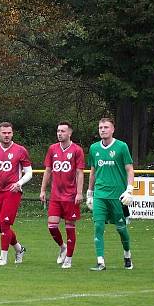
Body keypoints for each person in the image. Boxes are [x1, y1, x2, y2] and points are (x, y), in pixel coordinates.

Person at [86, 116, 134, 271]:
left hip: (117, 196)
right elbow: (93, 172)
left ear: (113, 129)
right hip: (100, 195)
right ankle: (100, 261)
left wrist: (129, 189)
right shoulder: (94, 148)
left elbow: (129, 169)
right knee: (98, 226)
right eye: (100, 128)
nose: (103, 130)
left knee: (121, 229)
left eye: (106, 127)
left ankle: (127, 255)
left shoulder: (121, 147)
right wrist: (90, 192)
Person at [0, 122, 32, 266]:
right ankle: (19, 248)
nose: (6, 135)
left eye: (9, 132)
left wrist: (19, 183)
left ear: (12, 134)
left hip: (13, 191)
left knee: (5, 223)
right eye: (4, 133)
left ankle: (3, 258)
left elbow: (29, 172)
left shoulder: (20, 150)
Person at [39, 121, 85, 269]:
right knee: (52, 226)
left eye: (63, 131)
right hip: (55, 196)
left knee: (70, 228)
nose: (60, 133)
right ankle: (63, 247)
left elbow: (79, 172)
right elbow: (48, 170)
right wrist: (42, 190)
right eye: (58, 131)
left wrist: (79, 192)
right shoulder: (52, 149)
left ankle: (69, 259)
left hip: (71, 196)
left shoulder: (77, 150)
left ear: (69, 133)